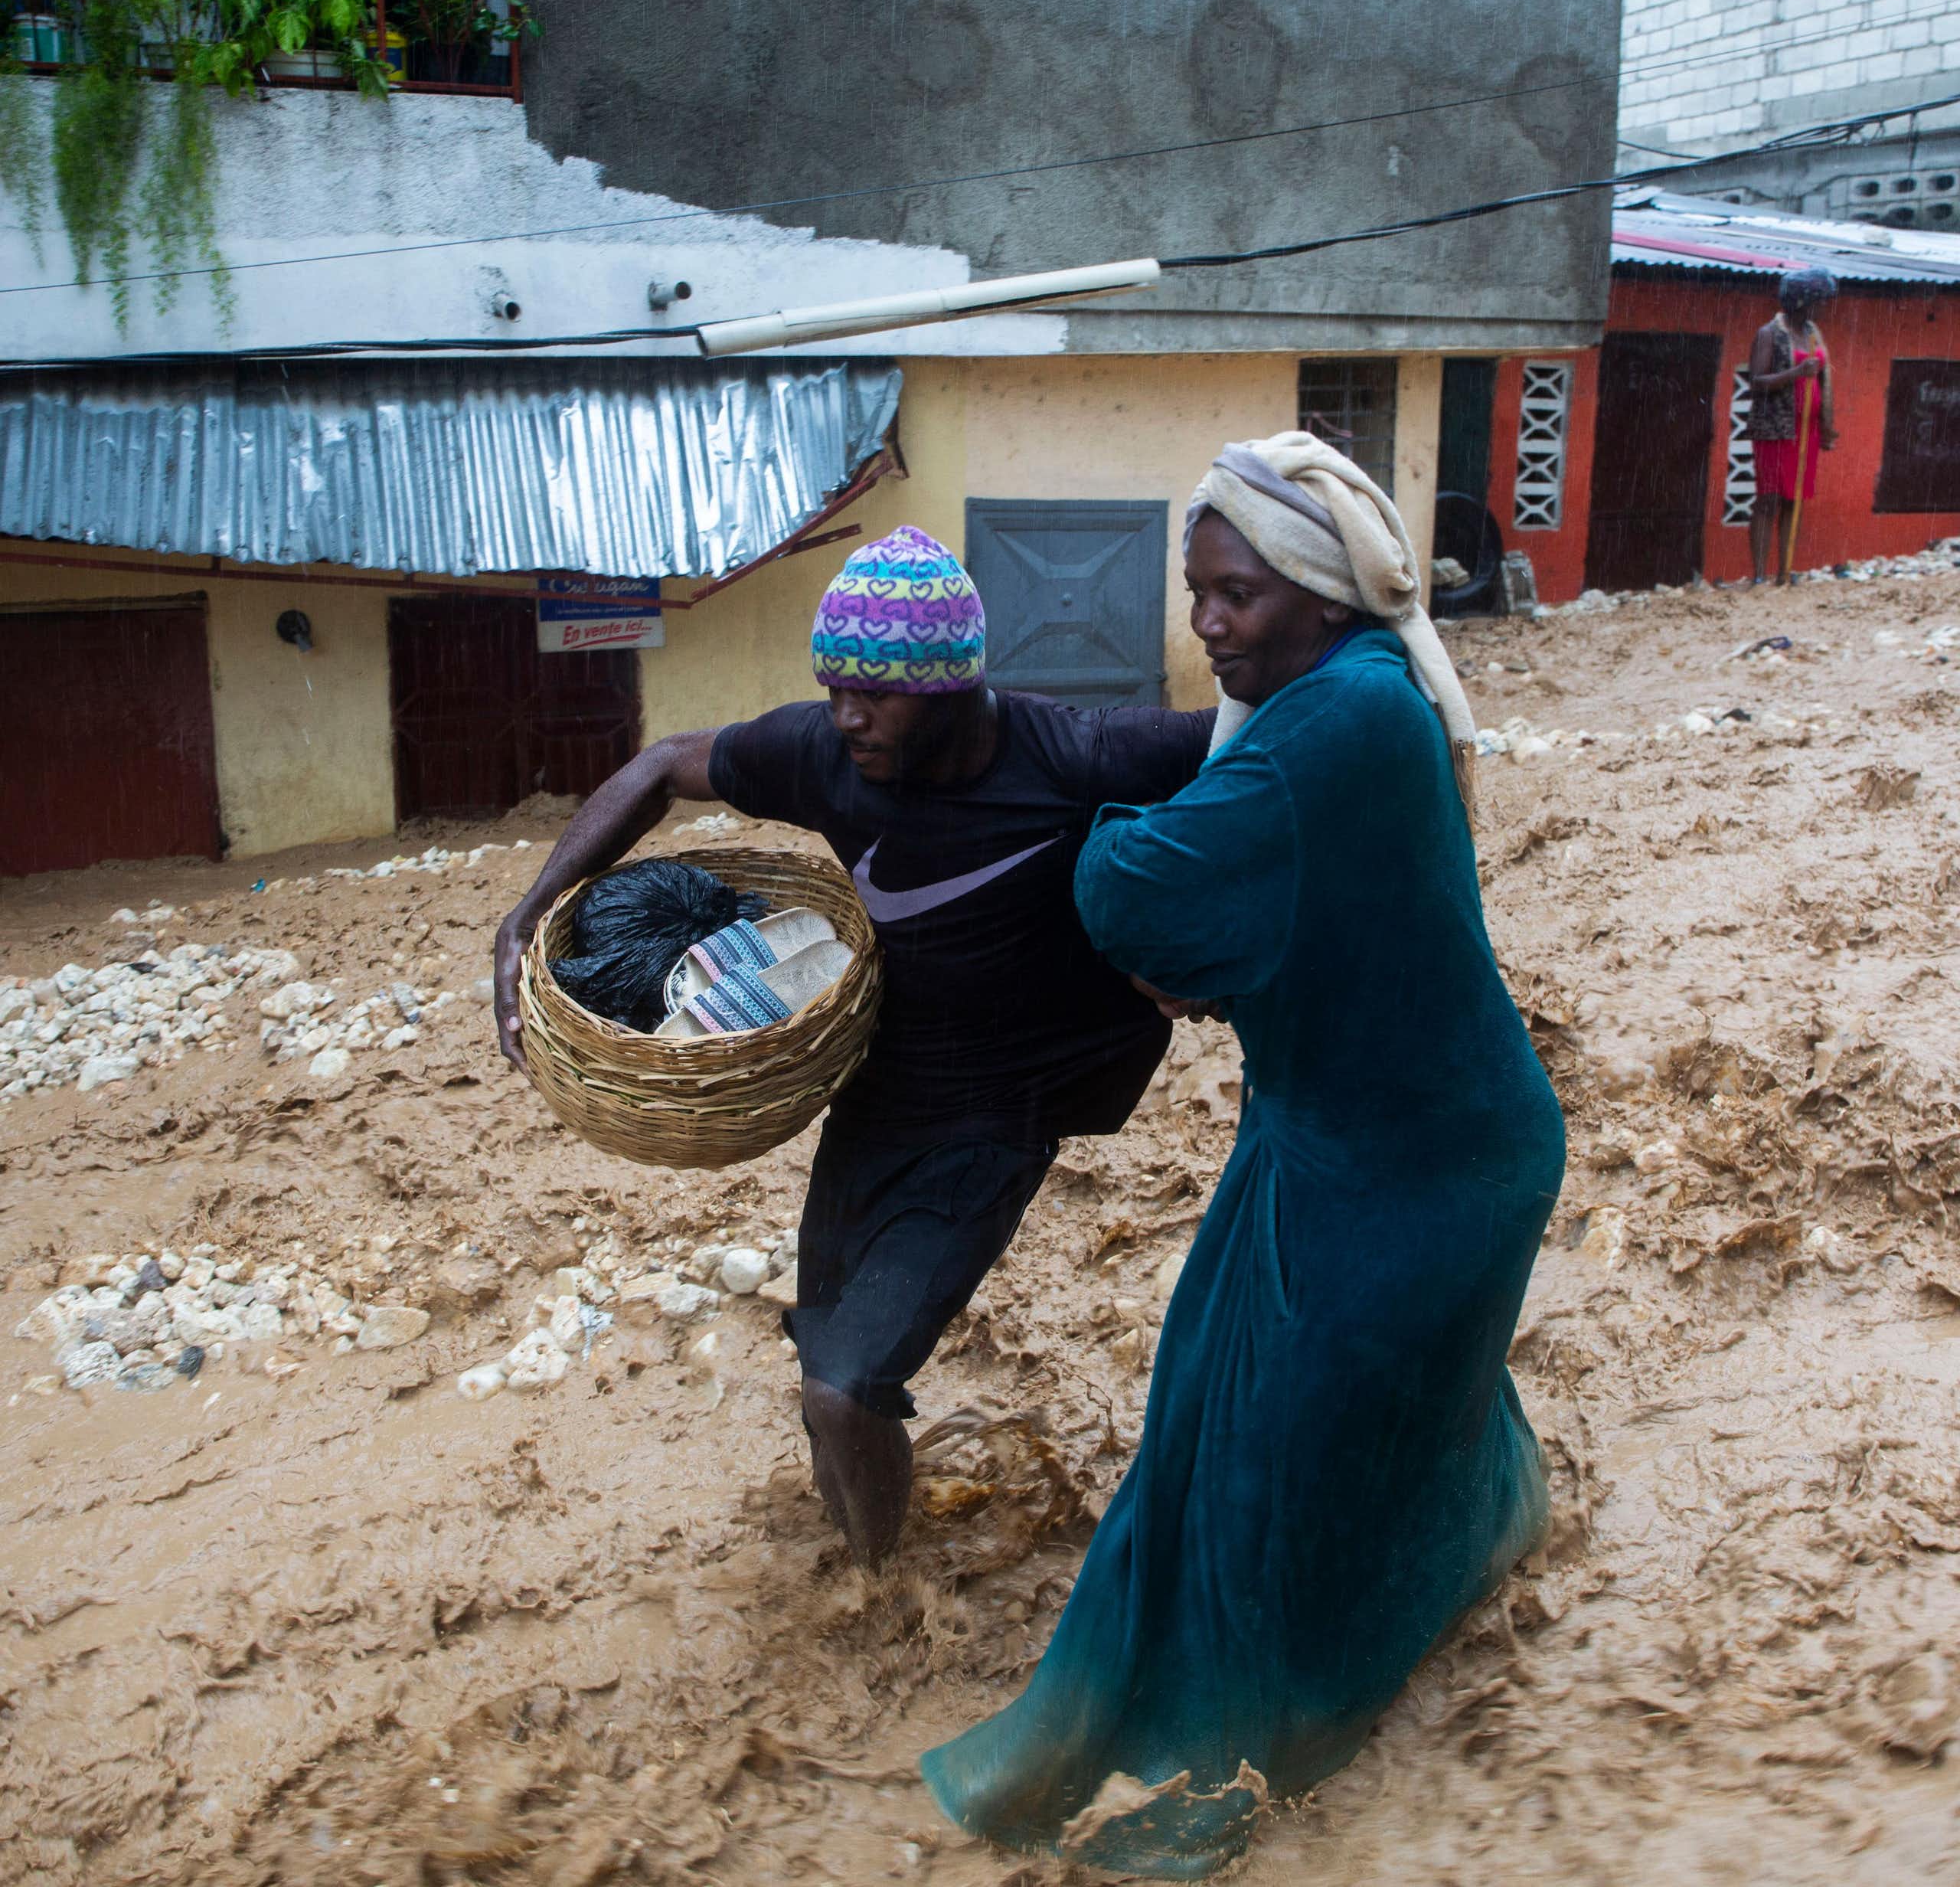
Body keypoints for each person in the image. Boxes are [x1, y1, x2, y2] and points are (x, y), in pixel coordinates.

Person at [921, 435, 1568, 1879]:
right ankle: (1462, 1543)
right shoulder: (1360, 691)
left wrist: (1106, 849)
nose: (1206, 624)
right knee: (1215, 1417)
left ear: (1324, 597)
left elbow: (1130, 882)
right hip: (1355, 1137)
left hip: (1428, 1171)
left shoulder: (1338, 723)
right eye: (1195, 593)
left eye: (1234, 597)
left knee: (1275, 1468)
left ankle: (1254, 1738)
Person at [493, 525, 1214, 1568]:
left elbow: (1265, 743)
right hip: (874, 1104)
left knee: (843, 1386)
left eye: (875, 694)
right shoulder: (825, 756)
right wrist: (531, 909)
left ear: (959, 689)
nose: (849, 715)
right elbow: (660, 768)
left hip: (994, 1124)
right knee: (819, 1371)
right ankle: (866, 1557)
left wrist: (1206, 945)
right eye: (833, 687)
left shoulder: (1079, 755)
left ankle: (877, 1612)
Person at [1746, 267, 1839, 587]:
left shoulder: (1814, 334)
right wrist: (1797, 372)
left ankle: (1785, 572)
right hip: (1776, 430)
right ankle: (1760, 575)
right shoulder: (1769, 333)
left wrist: (1827, 426)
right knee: (1769, 499)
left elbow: (1825, 381)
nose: (1825, 307)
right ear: (1802, 301)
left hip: (1806, 432)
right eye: (1820, 301)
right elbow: (1757, 382)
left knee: (1794, 499)